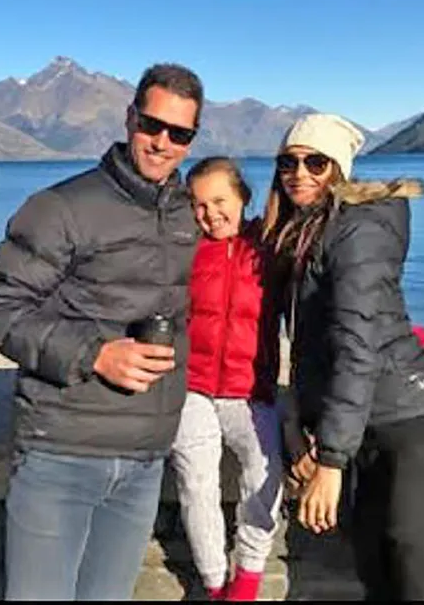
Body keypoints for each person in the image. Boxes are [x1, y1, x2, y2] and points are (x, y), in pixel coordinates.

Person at [0, 63, 205, 601]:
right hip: (63, 453)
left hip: (146, 458)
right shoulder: (63, 207)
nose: (162, 142)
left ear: (192, 142)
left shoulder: (185, 213)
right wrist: (96, 354)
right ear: (130, 120)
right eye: (152, 125)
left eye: (180, 134)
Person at [263, 113, 424, 601]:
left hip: (410, 432)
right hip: (367, 431)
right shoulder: (308, 231)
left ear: (337, 169)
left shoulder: (358, 234)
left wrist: (332, 462)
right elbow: (311, 350)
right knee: (380, 584)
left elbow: (359, 347)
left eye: (315, 162)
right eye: (288, 162)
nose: (299, 173)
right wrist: (296, 423)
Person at [168, 157, 282, 602]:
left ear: (243, 199)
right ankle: (215, 583)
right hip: (191, 387)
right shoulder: (185, 251)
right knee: (196, 481)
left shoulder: (269, 248)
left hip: (250, 391)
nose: (210, 213)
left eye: (220, 201)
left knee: (265, 468)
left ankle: (247, 579)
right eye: (198, 204)